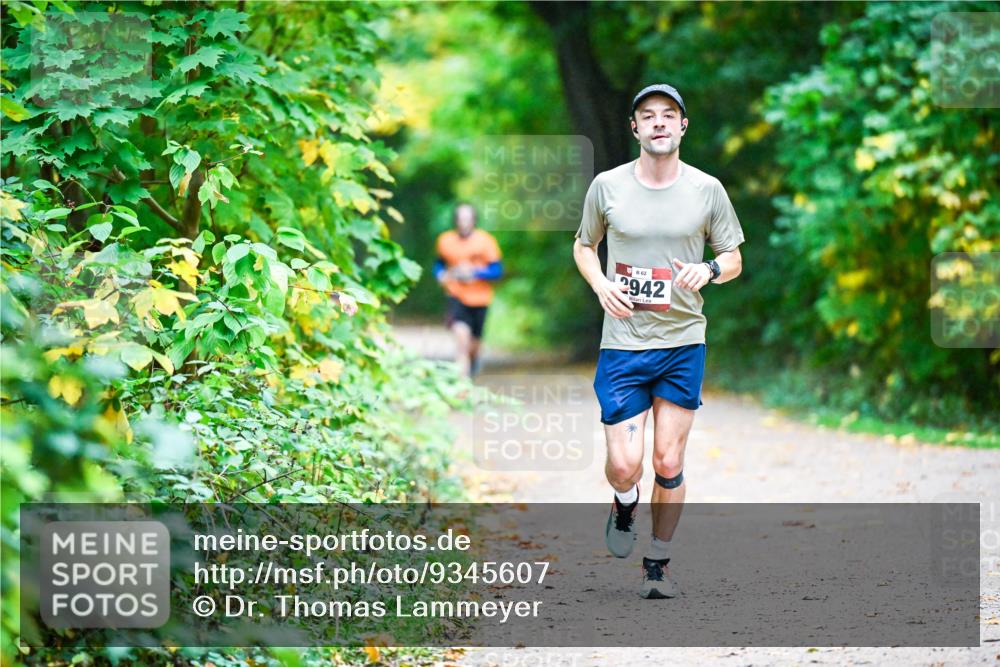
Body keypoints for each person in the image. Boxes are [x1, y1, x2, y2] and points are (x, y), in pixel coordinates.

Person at [572, 83, 745, 599]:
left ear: (683, 126)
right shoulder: (607, 186)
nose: (659, 123)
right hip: (623, 342)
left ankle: (658, 563)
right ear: (635, 128)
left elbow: (734, 258)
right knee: (626, 464)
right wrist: (601, 283)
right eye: (648, 116)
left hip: (682, 341)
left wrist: (708, 269)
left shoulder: (707, 189)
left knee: (668, 462)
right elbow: (585, 246)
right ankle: (624, 501)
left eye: (669, 115)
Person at [434, 203, 503, 377]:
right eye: (460, 219)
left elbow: (497, 270)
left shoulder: (486, 241)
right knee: (461, 341)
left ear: (474, 221)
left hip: (480, 299)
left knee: (474, 345)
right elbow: (438, 264)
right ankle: (462, 386)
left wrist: (475, 273)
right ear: (455, 220)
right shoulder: (445, 240)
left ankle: (474, 360)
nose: (464, 223)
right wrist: (441, 274)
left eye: (467, 219)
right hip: (456, 296)